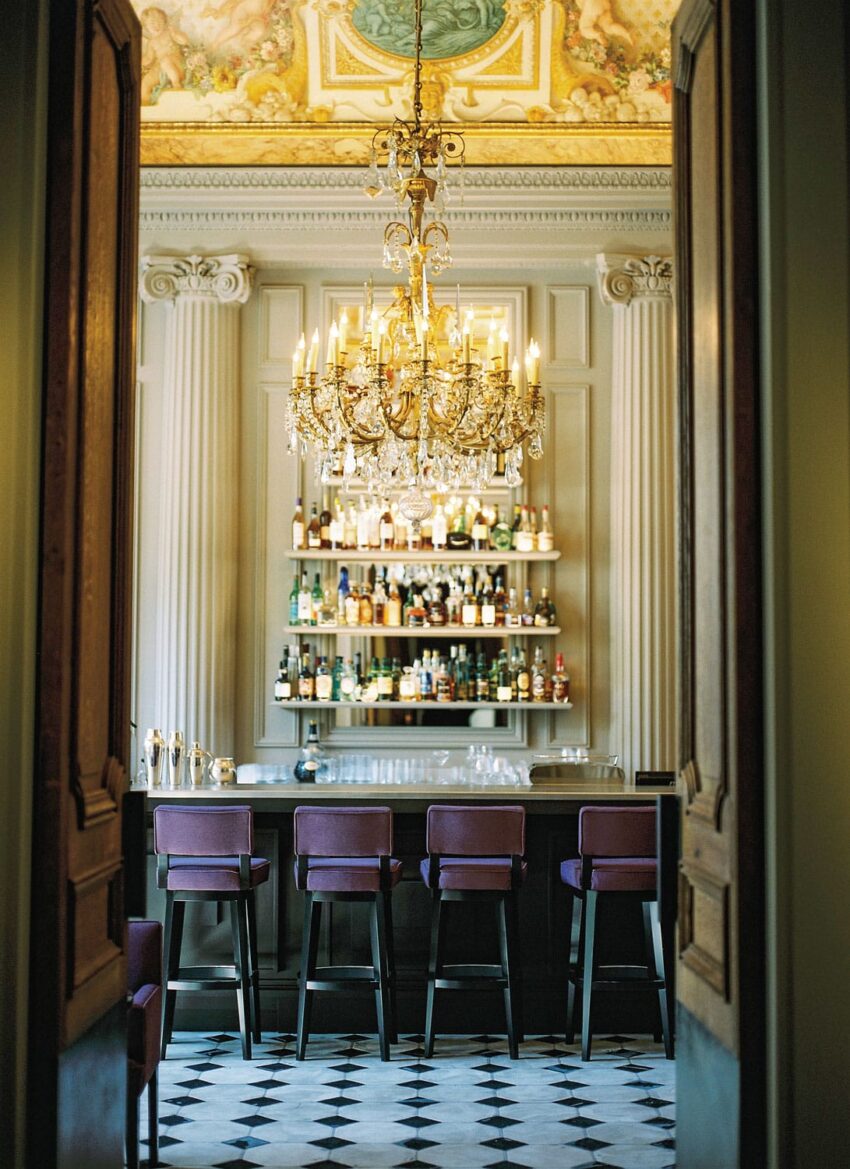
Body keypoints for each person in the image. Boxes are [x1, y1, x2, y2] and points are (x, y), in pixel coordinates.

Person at [140, 6, 188, 104]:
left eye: (159, 21)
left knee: (165, 61)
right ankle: (147, 103)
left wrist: (176, 34)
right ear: (146, 27)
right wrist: (138, 62)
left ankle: (176, 84)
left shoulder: (169, 33)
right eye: (152, 23)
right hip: (161, 70)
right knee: (145, 83)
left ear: (165, 22)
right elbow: (148, 59)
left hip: (176, 65)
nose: (156, 25)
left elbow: (184, 41)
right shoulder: (152, 42)